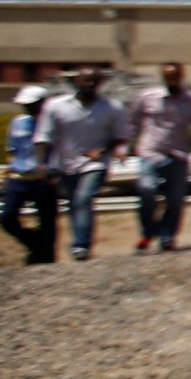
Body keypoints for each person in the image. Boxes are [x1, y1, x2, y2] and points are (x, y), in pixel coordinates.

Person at [33, 67, 130, 262]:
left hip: (95, 165)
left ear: (100, 84)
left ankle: (81, 246)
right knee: (73, 204)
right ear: (76, 82)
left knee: (83, 199)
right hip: (64, 164)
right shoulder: (56, 106)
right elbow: (44, 136)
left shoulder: (112, 108)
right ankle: (80, 239)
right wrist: (42, 164)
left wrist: (103, 151)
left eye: (94, 81)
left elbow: (121, 136)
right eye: (85, 81)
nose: (89, 85)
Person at [130, 60, 191, 252]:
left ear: (181, 76)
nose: (172, 80)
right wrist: (124, 145)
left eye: (175, 76)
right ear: (163, 77)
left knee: (175, 200)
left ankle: (167, 237)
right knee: (146, 190)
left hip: (178, 155)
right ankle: (148, 230)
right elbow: (132, 122)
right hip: (150, 153)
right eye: (168, 77)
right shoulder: (147, 97)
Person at [0, 83, 59, 264]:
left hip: (44, 180)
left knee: (47, 222)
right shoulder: (18, 123)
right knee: (7, 217)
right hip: (19, 177)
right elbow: (12, 149)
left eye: (31, 104)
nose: (27, 107)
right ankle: (34, 242)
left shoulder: (55, 124)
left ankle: (45, 259)